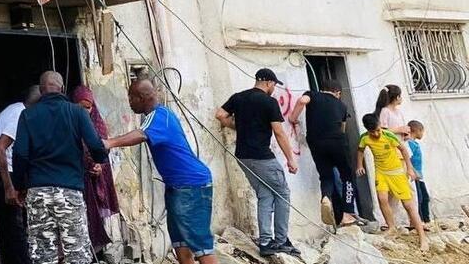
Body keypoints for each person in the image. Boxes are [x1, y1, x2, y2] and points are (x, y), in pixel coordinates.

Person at [105, 79, 216, 264]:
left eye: (131, 98)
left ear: (142, 97)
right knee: (180, 243)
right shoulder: (162, 115)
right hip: (177, 186)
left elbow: (141, 134)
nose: (129, 102)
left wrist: (110, 143)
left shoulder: (158, 116)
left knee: (200, 244)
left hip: (190, 186)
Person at [12, 71, 108, 264]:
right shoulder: (78, 113)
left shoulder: (27, 115)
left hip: (38, 193)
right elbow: (96, 146)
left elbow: (20, 154)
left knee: (43, 255)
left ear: (41, 90)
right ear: (62, 89)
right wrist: (99, 159)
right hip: (70, 192)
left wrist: (20, 186)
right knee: (77, 253)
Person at [215, 69, 300, 257]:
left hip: (243, 157)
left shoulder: (238, 97)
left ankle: (266, 242)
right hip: (262, 157)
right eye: (274, 85)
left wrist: (237, 126)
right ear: (269, 83)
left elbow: (220, 114)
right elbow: (279, 132)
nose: (274, 88)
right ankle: (281, 240)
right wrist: (290, 159)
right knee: (283, 193)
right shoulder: (269, 102)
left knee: (265, 195)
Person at [288, 79, 364, 227]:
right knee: (347, 176)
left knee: (326, 175)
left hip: (315, 141)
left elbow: (302, 100)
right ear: (338, 92)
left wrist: (293, 118)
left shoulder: (313, 95)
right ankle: (348, 213)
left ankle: (326, 197)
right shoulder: (342, 106)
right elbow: (342, 128)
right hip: (337, 141)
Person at [357, 114, 427, 251]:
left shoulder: (388, 135)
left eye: (378, 130)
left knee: (408, 205)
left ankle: (423, 237)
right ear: (367, 130)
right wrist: (359, 165)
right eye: (373, 132)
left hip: (396, 173)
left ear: (380, 126)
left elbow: (403, 150)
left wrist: (409, 169)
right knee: (382, 198)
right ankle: (391, 227)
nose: (376, 134)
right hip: (381, 173)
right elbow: (360, 150)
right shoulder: (364, 138)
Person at [0, 85, 42, 264]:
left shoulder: (18, 110)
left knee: (15, 226)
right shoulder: (19, 115)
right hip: (3, 173)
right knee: (15, 226)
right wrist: (9, 187)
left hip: (10, 172)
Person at [70, 86, 120, 257]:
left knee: (95, 219)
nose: (85, 111)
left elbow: (103, 148)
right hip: (77, 179)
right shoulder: (68, 124)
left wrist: (99, 165)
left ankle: (94, 255)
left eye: (88, 107)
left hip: (94, 179)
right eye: (80, 107)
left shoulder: (97, 124)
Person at [407, 120, 430, 225]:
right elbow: (408, 159)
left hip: (419, 175)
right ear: (417, 130)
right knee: (419, 199)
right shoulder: (410, 144)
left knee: (425, 197)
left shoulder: (414, 143)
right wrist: (413, 171)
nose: (422, 134)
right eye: (422, 131)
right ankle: (419, 221)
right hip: (414, 175)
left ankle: (426, 220)